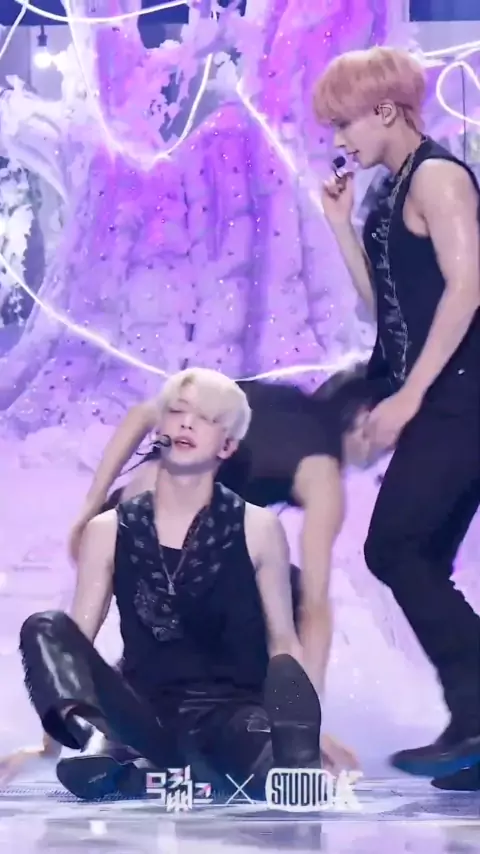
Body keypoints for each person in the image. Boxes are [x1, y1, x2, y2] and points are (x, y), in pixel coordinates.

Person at [1, 369, 325, 801]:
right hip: (144, 712)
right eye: (177, 411)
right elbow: (77, 642)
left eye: (206, 418)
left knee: (270, 769)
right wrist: (50, 743)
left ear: (227, 446)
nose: (187, 423)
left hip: (230, 712)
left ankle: (216, 768)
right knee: (46, 628)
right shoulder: (108, 530)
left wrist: (302, 726)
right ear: (159, 428)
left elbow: (283, 641)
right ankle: (105, 743)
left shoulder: (258, 528)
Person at [313, 46, 480, 790]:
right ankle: (473, 724)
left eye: (343, 122)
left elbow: (468, 288)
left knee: (396, 547)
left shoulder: (439, 178)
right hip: (442, 393)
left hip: (462, 394)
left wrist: (409, 398)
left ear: (385, 110)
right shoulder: (392, 188)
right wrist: (341, 225)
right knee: (413, 556)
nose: (338, 139)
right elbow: (386, 308)